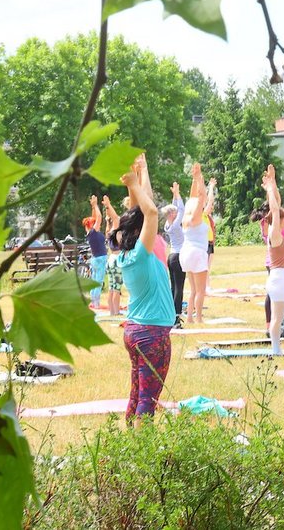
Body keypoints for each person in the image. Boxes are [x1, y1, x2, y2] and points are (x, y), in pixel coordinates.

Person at [113, 154, 176, 426]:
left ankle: (128, 446)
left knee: (137, 394)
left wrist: (138, 179)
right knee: (147, 400)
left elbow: (142, 212)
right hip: (151, 334)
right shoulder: (143, 252)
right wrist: (133, 183)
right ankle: (141, 454)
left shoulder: (126, 256)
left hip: (135, 331)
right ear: (141, 233)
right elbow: (150, 212)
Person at [261, 164, 284, 355]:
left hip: (277, 279)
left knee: (278, 316)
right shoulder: (275, 234)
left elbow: (276, 205)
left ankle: (276, 348)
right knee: (278, 318)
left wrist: (273, 183)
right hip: (277, 280)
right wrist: (270, 190)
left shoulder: (277, 234)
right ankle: (276, 350)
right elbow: (274, 207)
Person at [180, 163, 211, 324]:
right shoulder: (196, 217)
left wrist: (195, 178)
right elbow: (201, 197)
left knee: (192, 290)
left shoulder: (186, 217)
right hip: (197, 253)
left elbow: (195, 197)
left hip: (185, 252)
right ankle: (198, 317)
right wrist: (199, 179)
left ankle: (190, 317)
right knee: (201, 290)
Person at [162, 182, 186, 319]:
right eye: (174, 213)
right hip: (178, 257)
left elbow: (175, 208)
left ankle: (170, 310)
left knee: (173, 286)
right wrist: (177, 195)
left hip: (171, 257)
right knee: (179, 287)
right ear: (171, 215)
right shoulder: (175, 225)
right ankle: (176, 313)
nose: (176, 213)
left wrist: (174, 195)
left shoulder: (167, 224)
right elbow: (181, 209)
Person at [83, 195, 108, 309]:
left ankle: (93, 301)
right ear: (92, 225)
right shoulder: (94, 232)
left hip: (95, 259)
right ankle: (96, 303)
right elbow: (99, 217)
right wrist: (95, 205)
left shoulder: (90, 233)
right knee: (98, 281)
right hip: (100, 259)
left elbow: (94, 217)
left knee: (94, 280)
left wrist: (93, 207)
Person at [103, 196, 124, 317]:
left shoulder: (109, 231)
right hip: (116, 260)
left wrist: (107, 210)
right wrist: (108, 205)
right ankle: (116, 312)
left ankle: (112, 311)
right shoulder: (115, 229)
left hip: (110, 259)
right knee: (116, 287)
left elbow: (112, 218)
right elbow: (115, 217)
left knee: (111, 287)